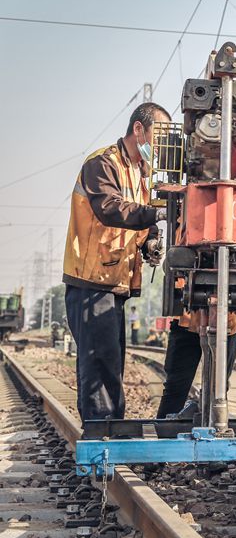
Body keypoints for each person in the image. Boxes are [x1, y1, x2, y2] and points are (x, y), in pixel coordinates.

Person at [63, 102, 168, 422]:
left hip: (114, 282)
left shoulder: (141, 174)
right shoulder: (103, 163)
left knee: (111, 364)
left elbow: (140, 219)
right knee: (98, 365)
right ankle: (100, 441)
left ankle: (112, 433)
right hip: (91, 281)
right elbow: (111, 208)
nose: (161, 146)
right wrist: (158, 213)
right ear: (139, 129)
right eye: (159, 136)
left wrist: (151, 239)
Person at [155, 309, 236, 419]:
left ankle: (216, 425)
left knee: (219, 388)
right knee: (176, 387)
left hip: (226, 324)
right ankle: (164, 431)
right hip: (189, 322)